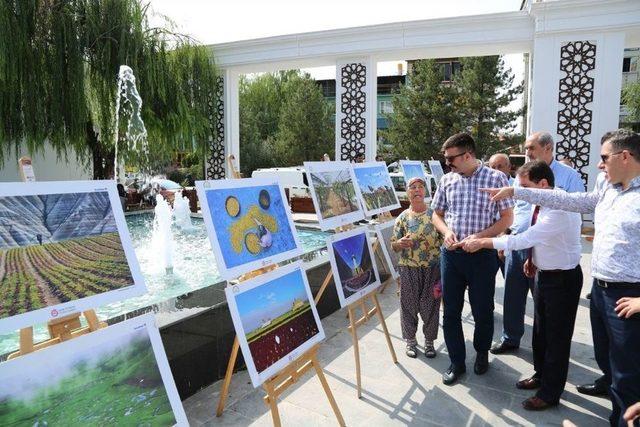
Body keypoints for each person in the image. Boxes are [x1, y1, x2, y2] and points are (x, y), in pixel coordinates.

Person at [481, 129, 640, 426]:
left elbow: (534, 229)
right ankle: (603, 389)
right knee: (604, 354)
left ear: (625, 156)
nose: (599, 165)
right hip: (600, 288)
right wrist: (517, 192)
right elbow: (574, 201)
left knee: (627, 368)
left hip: (628, 293)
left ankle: (622, 415)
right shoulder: (607, 187)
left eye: (604, 157)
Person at [463, 161, 583, 410]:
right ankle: (541, 375)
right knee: (540, 334)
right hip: (544, 274)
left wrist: (484, 241)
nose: (521, 193)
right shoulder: (542, 202)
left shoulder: (560, 207)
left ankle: (550, 394)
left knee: (557, 340)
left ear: (542, 184)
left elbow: (527, 237)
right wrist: (532, 259)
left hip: (562, 280)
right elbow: (537, 239)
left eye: (524, 187)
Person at [431, 132, 514, 385]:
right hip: (452, 256)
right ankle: (457, 362)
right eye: (446, 160)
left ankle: (481, 354)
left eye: (451, 159)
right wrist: (446, 232)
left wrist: (480, 238)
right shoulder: (447, 180)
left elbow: (507, 219)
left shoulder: (496, 178)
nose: (448, 164)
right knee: (451, 311)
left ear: (468, 155)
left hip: (482, 256)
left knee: (482, 310)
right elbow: (436, 214)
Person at [491, 131, 584, 356]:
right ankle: (510, 338)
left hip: (546, 250)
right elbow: (516, 208)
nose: (527, 153)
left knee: (543, 304)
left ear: (548, 148)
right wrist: (506, 234)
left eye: (531, 148)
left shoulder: (569, 176)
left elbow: (578, 209)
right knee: (513, 295)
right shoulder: (522, 175)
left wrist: (489, 241)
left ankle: (544, 350)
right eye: (526, 148)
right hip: (518, 244)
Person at [391, 176, 443, 359]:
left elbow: (444, 241)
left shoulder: (435, 216)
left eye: (420, 187)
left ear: (425, 192)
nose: (417, 190)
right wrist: (400, 243)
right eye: (412, 187)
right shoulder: (402, 218)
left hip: (432, 268)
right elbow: (393, 245)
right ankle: (411, 341)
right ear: (408, 193)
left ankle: (429, 342)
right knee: (408, 305)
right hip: (408, 268)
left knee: (430, 305)